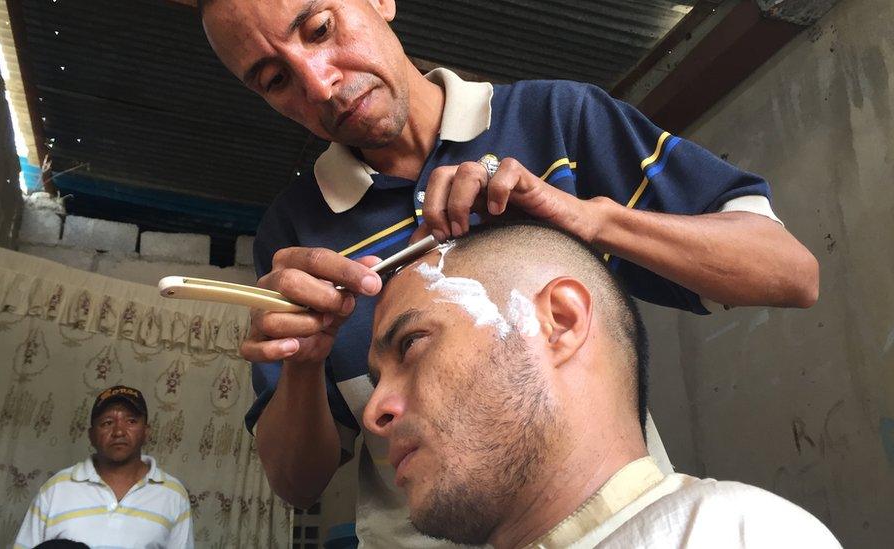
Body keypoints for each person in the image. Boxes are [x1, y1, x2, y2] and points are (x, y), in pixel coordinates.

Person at [198, 0, 820, 545]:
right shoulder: (294, 232)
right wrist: (304, 361)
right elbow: (296, 482)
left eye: (321, 27)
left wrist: (587, 220)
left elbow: (790, 273)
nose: (320, 83)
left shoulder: (557, 119)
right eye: (276, 79)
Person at [363, 222, 838, 548]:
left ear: (560, 322)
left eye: (409, 344)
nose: (375, 411)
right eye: (376, 379)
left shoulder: (734, 534)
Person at [14, 386, 194, 549]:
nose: (119, 431)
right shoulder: (56, 488)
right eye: (107, 422)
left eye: (131, 421)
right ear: (91, 435)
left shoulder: (173, 494)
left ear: (146, 432)